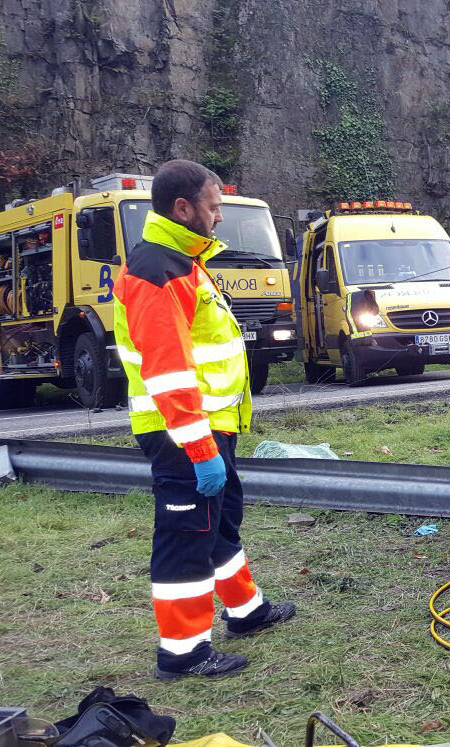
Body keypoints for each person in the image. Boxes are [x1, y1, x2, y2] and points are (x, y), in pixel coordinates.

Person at [113, 160, 295, 680]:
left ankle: (245, 611)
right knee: (186, 534)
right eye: (214, 209)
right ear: (183, 208)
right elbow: (169, 373)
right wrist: (198, 448)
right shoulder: (157, 272)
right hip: (183, 435)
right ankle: (183, 652)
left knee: (219, 522)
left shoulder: (183, 263)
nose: (219, 219)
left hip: (210, 428)